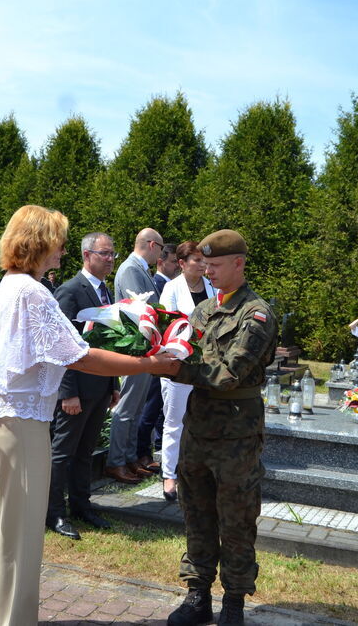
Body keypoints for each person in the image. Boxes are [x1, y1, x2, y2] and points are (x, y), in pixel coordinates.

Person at [0, 206, 177, 626]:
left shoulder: (13, 285)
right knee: (26, 527)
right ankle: (13, 619)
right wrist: (149, 364)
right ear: (39, 243)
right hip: (18, 419)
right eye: (58, 240)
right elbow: (81, 356)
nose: (63, 249)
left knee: (17, 518)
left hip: (9, 415)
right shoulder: (32, 292)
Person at [163, 230, 276, 626]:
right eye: (204, 264)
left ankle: (234, 602)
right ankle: (197, 594)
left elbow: (230, 373)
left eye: (213, 264)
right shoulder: (204, 310)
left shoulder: (256, 313)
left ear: (238, 264)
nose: (207, 271)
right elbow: (183, 348)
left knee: (237, 519)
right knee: (196, 513)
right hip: (198, 428)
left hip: (236, 434)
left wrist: (173, 366)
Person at [46, 231, 120, 540]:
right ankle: (54, 513)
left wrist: (113, 382)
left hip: (100, 387)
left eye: (112, 254)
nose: (110, 259)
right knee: (63, 453)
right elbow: (62, 345)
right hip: (76, 389)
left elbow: (108, 341)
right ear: (86, 256)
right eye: (104, 254)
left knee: (85, 451)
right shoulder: (70, 291)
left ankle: (81, 506)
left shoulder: (106, 291)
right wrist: (69, 392)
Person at [157, 240, 216, 502]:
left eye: (204, 260)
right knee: (174, 422)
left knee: (203, 419)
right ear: (181, 264)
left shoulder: (213, 287)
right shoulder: (171, 288)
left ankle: (198, 471)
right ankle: (170, 474)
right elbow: (165, 327)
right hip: (178, 364)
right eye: (196, 260)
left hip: (206, 366)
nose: (203, 264)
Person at [105, 227, 164, 484]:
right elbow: (138, 309)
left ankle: (128, 459)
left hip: (142, 348)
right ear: (152, 245)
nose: (160, 256)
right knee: (127, 408)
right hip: (134, 349)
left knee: (136, 407)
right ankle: (116, 462)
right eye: (160, 249)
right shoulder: (130, 269)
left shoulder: (138, 269)